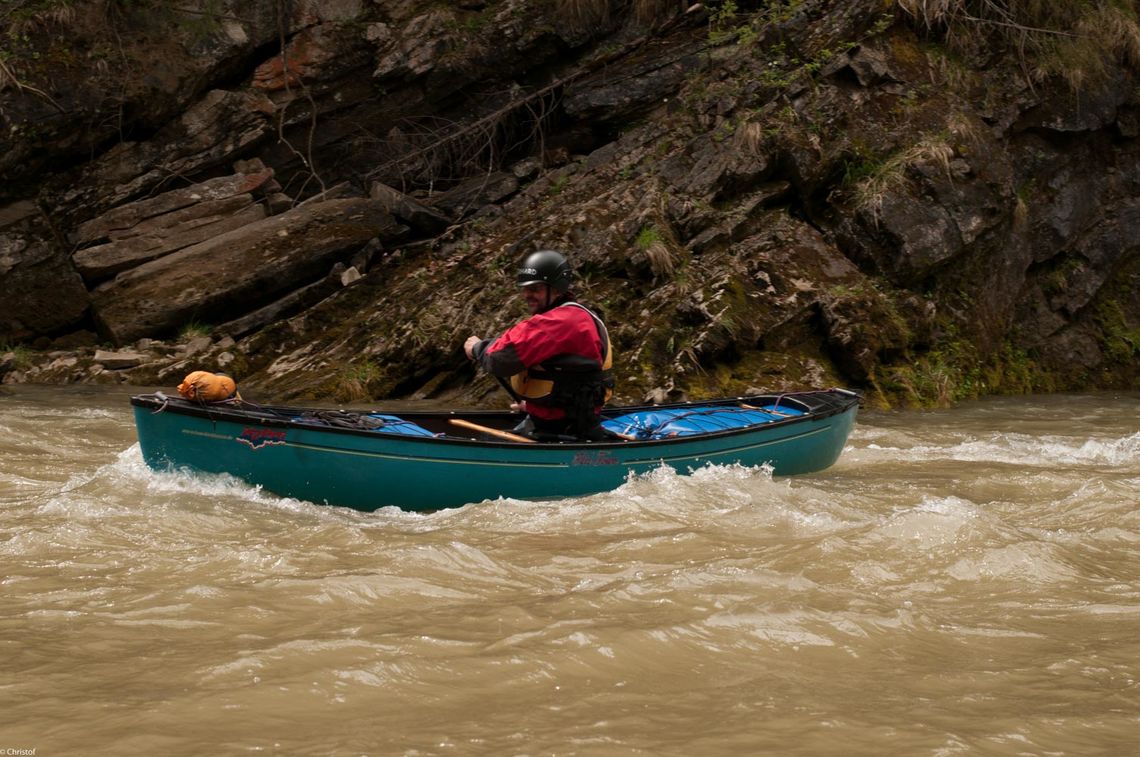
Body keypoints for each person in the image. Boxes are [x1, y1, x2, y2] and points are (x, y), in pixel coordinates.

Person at [464, 250, 615, 441]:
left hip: (560, 429)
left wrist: (477, 348)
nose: (527, 295)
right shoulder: (578, 316)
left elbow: (498, 359)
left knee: (486, 440)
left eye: (535, 289)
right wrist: (534, 405)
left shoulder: (557, 322)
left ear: (557, 289)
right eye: (525, 289)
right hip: (575, 421)